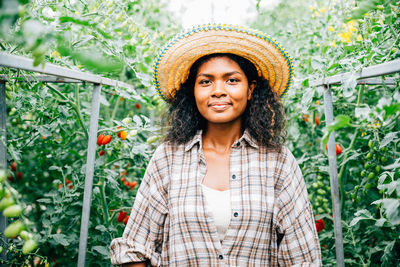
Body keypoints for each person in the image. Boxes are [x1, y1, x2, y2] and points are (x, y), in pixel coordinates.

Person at [110, 24, 322, 266]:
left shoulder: (278, 162)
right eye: (206, 82)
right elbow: (135, 249)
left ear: (251, 89)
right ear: (193, 91)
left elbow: (303, 258)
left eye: (232, 80)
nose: (218, 91)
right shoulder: (168, 157)